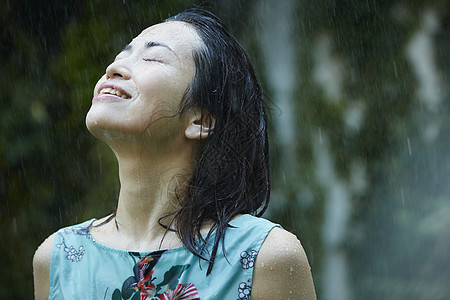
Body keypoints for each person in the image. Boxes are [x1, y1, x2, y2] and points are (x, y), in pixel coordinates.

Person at [33, 8, 316, 300]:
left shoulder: (265, 257)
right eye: (122, 55)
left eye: (153, 58)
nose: (114, 68)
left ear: (200, 121)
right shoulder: (58, 260)